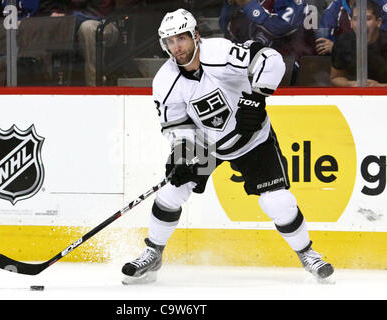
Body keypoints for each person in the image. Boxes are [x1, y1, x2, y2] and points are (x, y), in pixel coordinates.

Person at [121, 8, 334, 285]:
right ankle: (153, 252)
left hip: (252, 139)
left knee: (277, 201)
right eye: (170, 41)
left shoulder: (220, 53)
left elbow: (272, 60)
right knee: (172, 191)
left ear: (196, 36)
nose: (177, 47)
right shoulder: (164, 80)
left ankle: (308, 254)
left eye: (182, 39)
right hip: (207, 144)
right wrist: (182, 153)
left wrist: (257, 97)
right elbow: (175, 124)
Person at [50, 0, 119, 86]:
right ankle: (51, 84)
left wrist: (68, 16)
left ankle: (94, 84)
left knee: (87, 27)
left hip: (104, 22)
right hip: (72, 21)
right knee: (49, 24)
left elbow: (101, 11)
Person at [330, 0, 387, 86]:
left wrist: (379, 87)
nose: (361, 24)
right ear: (351, 23)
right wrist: (350, 84)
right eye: (356, 19)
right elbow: (335, 78)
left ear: (378, 22)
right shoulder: (342, 43)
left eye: (367, 18)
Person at [317, 0, 387, 55]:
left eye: (368, 18)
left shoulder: (383, 5)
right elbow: (322, 39)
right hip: (345, 65)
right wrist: (337, 48)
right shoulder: (337, 5)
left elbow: (381, 41)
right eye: (356, 19)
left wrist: (339, 49)